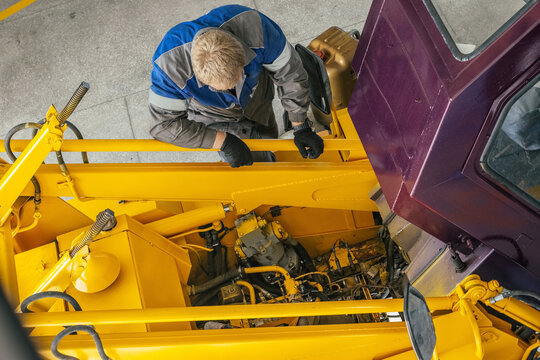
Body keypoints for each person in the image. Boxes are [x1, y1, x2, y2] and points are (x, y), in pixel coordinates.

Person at [148, 4, 324, 167]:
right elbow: (163, 125)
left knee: (268, 138)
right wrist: (223, 142)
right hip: (214, 115)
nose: (230, 93)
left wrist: (300, 126)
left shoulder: (257, 28)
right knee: (247, 163)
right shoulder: (169, 66)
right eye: (219, 88)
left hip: (257, 98)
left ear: (243, 54)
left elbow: (290, 74)